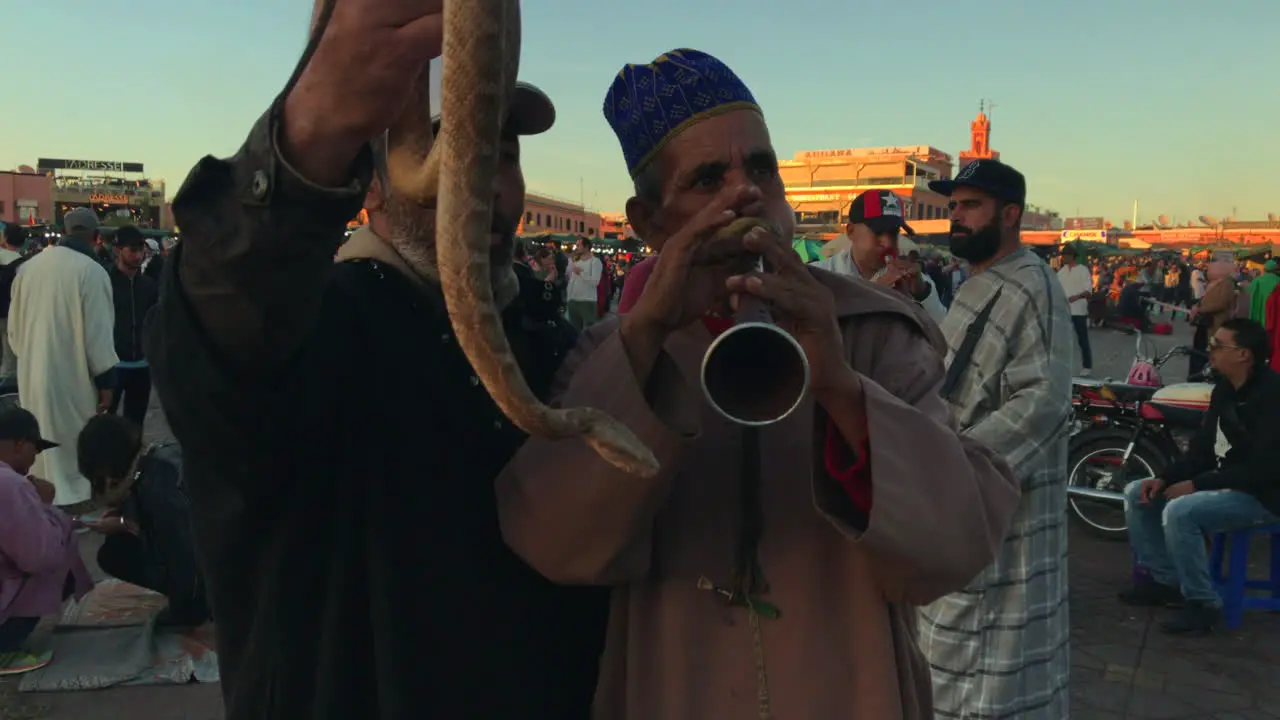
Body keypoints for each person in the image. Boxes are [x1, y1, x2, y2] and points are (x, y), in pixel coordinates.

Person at [494, 48, 1019, 719]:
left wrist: (842, 389)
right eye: (708, 178)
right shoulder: (613, 350)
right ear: (651, 222)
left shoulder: (871, 333)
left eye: (762, 169)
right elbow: (552, 544)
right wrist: (642, 351)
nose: (744, 195)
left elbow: (955, 548)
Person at [144, 4, 608, 718]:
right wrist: (310, 131)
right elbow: (214, 341)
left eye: (504, 151)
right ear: (367, 179)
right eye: (457, 145)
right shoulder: (317, 332)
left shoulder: (541, 340)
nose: (486, 179)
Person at [917, 159, 1074, 719]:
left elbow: (1044, 403)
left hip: (998, 517)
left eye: (971, 205)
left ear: (1012, 215)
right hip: (950, 505)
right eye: (954, 205)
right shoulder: (976, 283)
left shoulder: (1034, 286)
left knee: (989, 684)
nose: (956, 217)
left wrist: (958, 467)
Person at [1118, 318, 1280, 634]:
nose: (1211, 351)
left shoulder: (1273, 397)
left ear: (1244, 354)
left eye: (1219, 345)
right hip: (1228, 482)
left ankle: (1203, 602)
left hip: (1264, 494)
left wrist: (1197, 484)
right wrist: (1164, 478)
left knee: (1182, 511)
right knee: (1137, 493)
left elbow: (1263, 469)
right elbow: (1201, 452)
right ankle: (1166, 581)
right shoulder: (1224, 391)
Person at [8, 206, 119, 508]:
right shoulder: (91, 271)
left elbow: (14, 335)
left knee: (41, 443)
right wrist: (107, 385)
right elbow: (98, 339)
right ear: (97, 236)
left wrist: (33, 358)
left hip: (32, 373)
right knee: (73, 448)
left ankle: (43, 504)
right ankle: (72, 509)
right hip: (73, 379)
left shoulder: (28, 268)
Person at [77, 414, 210, 627]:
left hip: (225, 564)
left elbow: (187, 559)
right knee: (114, 551)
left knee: (142, 557)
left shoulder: (160, 492)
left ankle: (202, 607)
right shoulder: (149, 463)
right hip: (207, 548)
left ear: (109, 478)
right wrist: (123, 521)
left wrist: (184, 612)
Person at [0, 408, 92, 674]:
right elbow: (40, 557)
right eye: (35, 450)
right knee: (60, 548)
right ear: (20, 444)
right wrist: (45, 506)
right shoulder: (10, 484)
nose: (35, 459)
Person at [810, 189, 947, 324]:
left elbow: (945, 332)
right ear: (851, 231)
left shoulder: (917, 282)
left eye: (894, 233)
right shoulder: (817, 276)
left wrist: (923, 295)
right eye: (878, 232)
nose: (887, 243)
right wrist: (872, 295)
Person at [106, 226, 160, 429]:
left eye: (141, 250)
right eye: (133, 250)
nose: (138, 256)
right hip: (112, 366)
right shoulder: (105, 282)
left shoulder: (149, 285)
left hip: (142, 367)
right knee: (105, 424)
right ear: (117, 250)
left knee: (135, 426)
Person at [0, 225, 31, 383]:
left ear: (5, 238)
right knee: (9, 354)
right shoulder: (23, 264)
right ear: (23, 242)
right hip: (10, 314)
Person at [1057, 243, 1094, 376]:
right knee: (1062, 341)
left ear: (1072, 256)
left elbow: (1088, 291)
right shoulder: (1061, 272)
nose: (1063, 258)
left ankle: (1087, 366)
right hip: (1064, 311)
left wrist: (1077, 297)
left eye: (1065, 255)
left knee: (1082, 339)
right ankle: (1062, 366)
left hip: (1078, 310)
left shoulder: (1083, 270)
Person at [565, 236, 603, 329]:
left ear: (586, 247)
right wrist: (569, 298)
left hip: (587, 301)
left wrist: (581, 273)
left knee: (588, 333)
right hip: (573, 301)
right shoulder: (576, 262)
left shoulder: (595, 262)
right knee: (574, 331)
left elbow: (595, 282)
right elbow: (572, 281)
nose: (576, 247)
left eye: (579, 245)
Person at [1246, 259, 1280, 325]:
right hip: (1273, 312)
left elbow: (1248, 291)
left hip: (1259, 311)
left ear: (1264, 269)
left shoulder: (1257, 280)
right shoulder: (1278, 280)